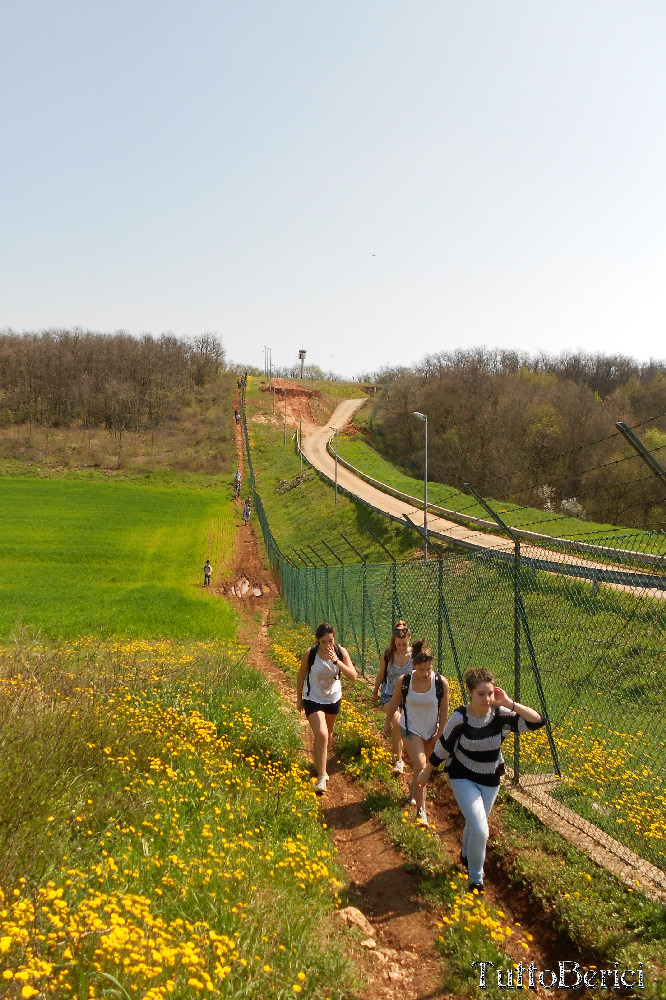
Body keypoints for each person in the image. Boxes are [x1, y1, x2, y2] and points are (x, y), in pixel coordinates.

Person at [417, 667, 545, 892]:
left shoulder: (499, 716)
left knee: (475, 823)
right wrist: (426, 772)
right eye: (481, 694)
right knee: (481, 828)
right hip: (462, 775)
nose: (487, 699)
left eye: (490, 694)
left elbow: (537, 722)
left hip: (490, 779)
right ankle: (476, 878)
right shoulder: (461, 717)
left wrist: (509, 704)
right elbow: (443, 746)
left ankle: (466, 855)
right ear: (470, 693)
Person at [383, 639, 448, 826]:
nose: (426, 673)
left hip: (431, 731)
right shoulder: (404, 682)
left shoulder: (440, 683)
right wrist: (388, 723)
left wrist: (439, 734)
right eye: (422, 670)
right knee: (421, 767)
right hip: (410, 729)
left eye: (429, 669)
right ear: (414, 666)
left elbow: (444, 710)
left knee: (423, 768)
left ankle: (413, 786)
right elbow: (394, 703)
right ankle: (421, 811)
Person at [296, 623, 358, 794]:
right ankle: (322, 776)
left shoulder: (340, 652)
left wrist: (336, 661)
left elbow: (353, 677)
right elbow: (301, 674)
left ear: (334, 639)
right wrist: (298, 698)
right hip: (313, 698)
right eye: (324, 642)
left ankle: (320, 763)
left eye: (330, 641)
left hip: (333, 698)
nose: (327, 645)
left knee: (328, 734)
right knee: (322, 733)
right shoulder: (311, 654)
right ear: (318, 641)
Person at [371, 620, 413, 774]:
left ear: (409, 639)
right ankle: (398, 760)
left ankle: (399, 753)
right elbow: (381, 673)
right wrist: (375, 691)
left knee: (401, 726)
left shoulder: (414, 655)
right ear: (394, 641)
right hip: (389, 695)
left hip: (408, 698)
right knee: (397, 721)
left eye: (404, 644)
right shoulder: (388, 654)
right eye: (398, 644)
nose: (401, 647)